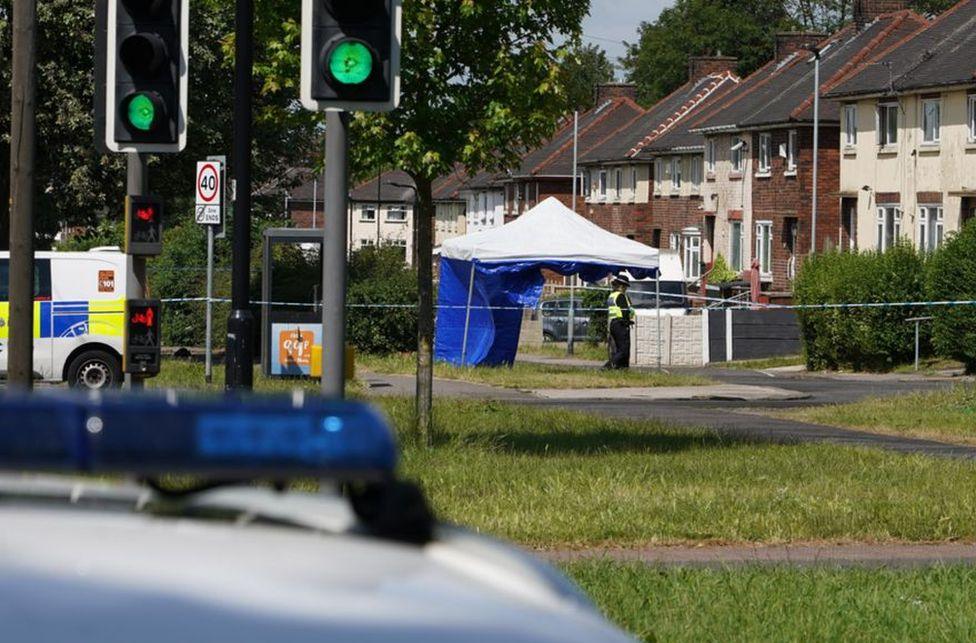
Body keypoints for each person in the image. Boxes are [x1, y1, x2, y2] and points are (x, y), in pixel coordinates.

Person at [604, 274, 634, 369]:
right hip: (621, 324)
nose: (626, 289)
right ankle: (609, 366)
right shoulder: (621, 296)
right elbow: (624, 311)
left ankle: (620, 369)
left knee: (618, 348)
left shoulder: (612, 295)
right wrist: (628, 319)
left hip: (613, 323)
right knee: (624, 350)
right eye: (625, 286)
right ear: (621, 286)